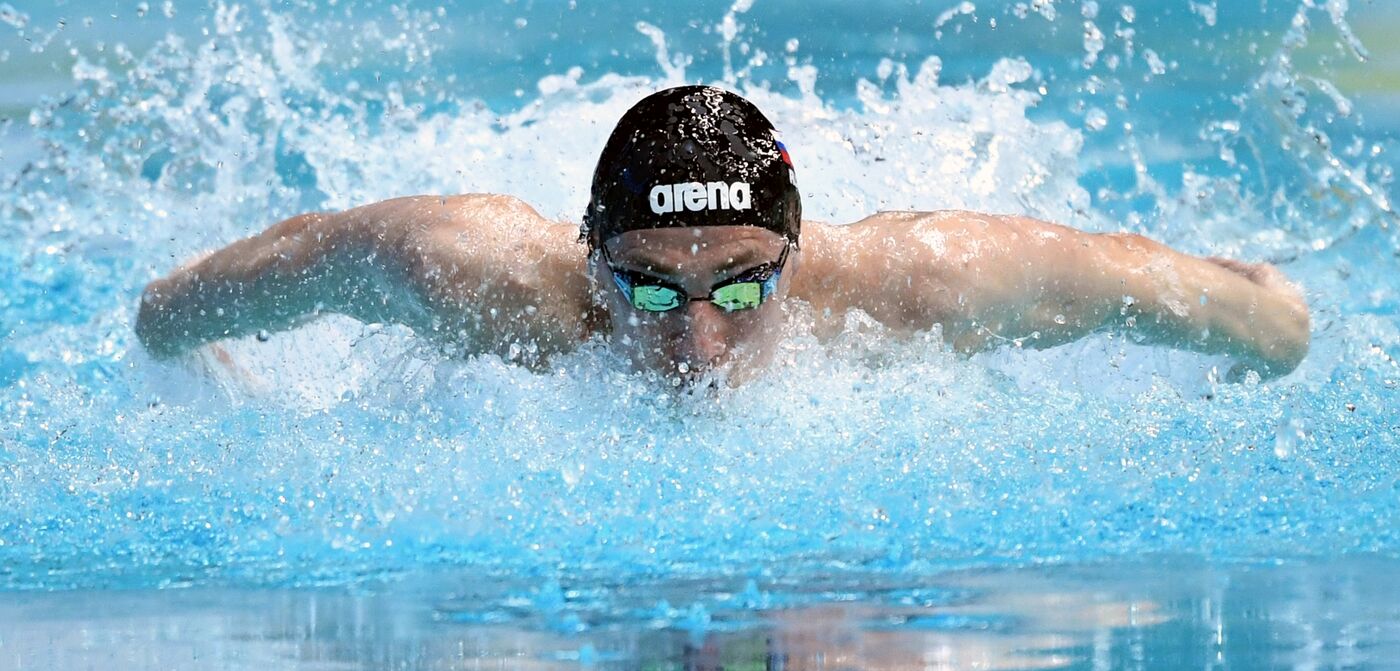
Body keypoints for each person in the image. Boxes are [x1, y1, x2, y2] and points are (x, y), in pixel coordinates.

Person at [136, 84, 1310, 383]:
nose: (694, 346)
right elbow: (172, 308)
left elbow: (1271, 321)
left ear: (797, 261)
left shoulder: (925, 288)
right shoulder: (463, 273)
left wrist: (1247, 360)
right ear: (587, 260)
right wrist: (196, 363)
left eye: (742, 290)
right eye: (648, 292)